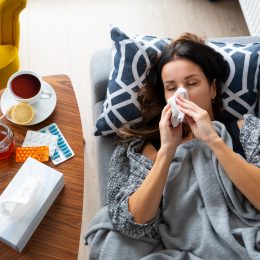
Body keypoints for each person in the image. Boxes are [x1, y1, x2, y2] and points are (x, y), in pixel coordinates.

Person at [86, 33, 260, 259]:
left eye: (192, 83)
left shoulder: (244, 129)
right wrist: (167, 150)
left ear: (213, 88)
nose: (182, 94)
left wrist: (214, 141)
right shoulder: (146, 148)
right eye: (171, 88)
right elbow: (133, 223)